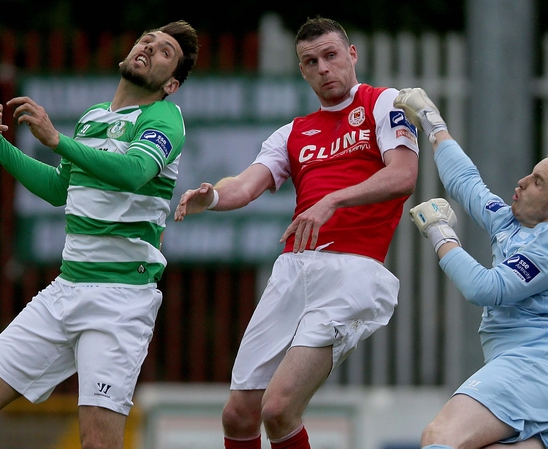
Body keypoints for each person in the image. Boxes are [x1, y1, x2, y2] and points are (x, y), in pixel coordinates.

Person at [0, 21, 199, 449]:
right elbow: (62, 188)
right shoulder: (94, 117)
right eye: (146, 40)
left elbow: (134, 173)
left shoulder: (164, 117)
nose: (149, 48)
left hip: (120, 300)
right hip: (66, 288)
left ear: (171, 83)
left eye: (165, 51)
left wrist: (56, 140)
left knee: (98, 442)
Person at [174, 15, 419, 449]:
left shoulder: (385, 104)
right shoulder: (293, 132)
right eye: (311, 62)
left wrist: (332, 200)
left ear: (352, 55)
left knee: (278, 408)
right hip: (292, 271)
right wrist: (212, 196)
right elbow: (246, 184)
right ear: (302, 71)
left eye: (331, 56)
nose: (323, 68)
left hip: (352, 271)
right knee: (238, 414)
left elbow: (403, 176)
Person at [394, 87, 548, 449]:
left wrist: (439, 232)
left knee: (439, 437)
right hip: (544, 384)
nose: (522, 182)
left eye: (538, 182)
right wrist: (433, 121)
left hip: (532, 371)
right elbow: (465, 183)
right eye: (532, 173)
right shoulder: (514, 222)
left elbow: (486, 289)